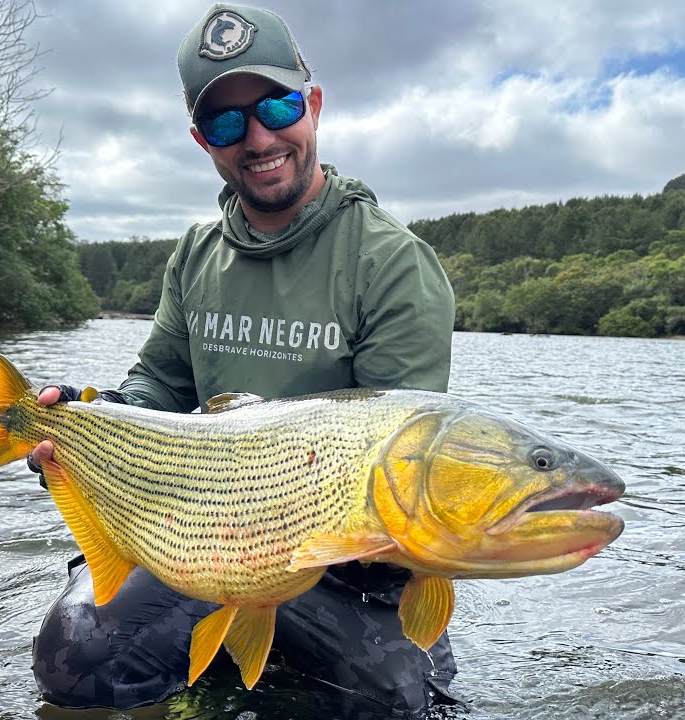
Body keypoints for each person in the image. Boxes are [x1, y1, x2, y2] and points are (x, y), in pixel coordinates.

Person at [27, 3, 457, 714]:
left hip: (344, 570)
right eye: (227, 123)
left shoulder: (392, 263)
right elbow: (158, 385)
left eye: (276, 106)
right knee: (78, 658)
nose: (258, 138)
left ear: (313, 105)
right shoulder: (196, 254)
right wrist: (92, 422)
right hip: (203, 535)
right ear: (203, 140)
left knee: (399, 707)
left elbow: (404, 461)